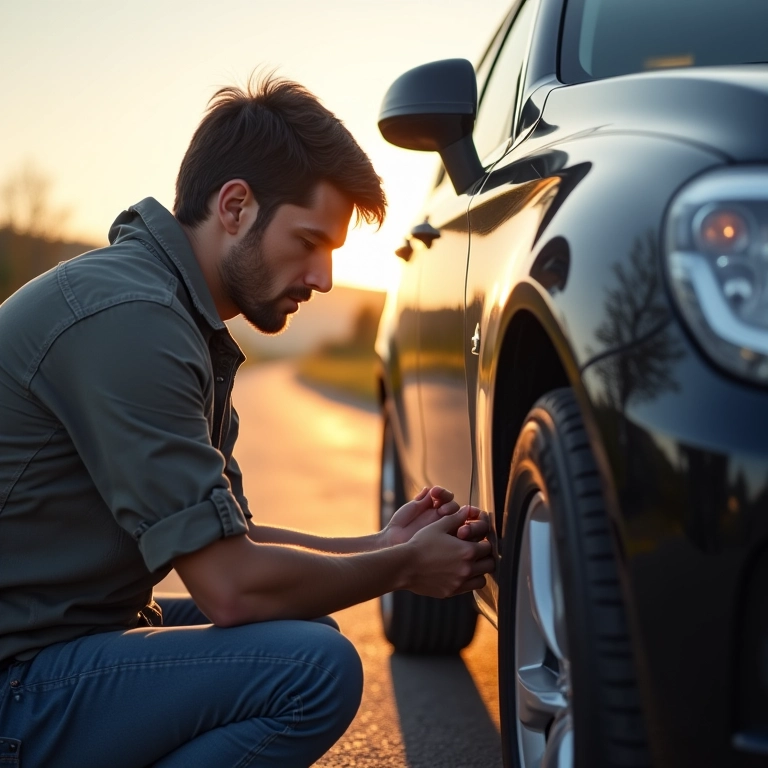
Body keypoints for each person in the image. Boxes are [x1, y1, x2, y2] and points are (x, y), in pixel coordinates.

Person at [0, 75, 494, 767]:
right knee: (312, 666)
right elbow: (230, 588)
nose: (322, 277)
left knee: (295, 621)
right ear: (235, 206)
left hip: (55, 649)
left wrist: (380, 546)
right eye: (309, 241)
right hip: (16, 683)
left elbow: (234, 538)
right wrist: (403, 566)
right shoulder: (130, 321)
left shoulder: (174, 316)